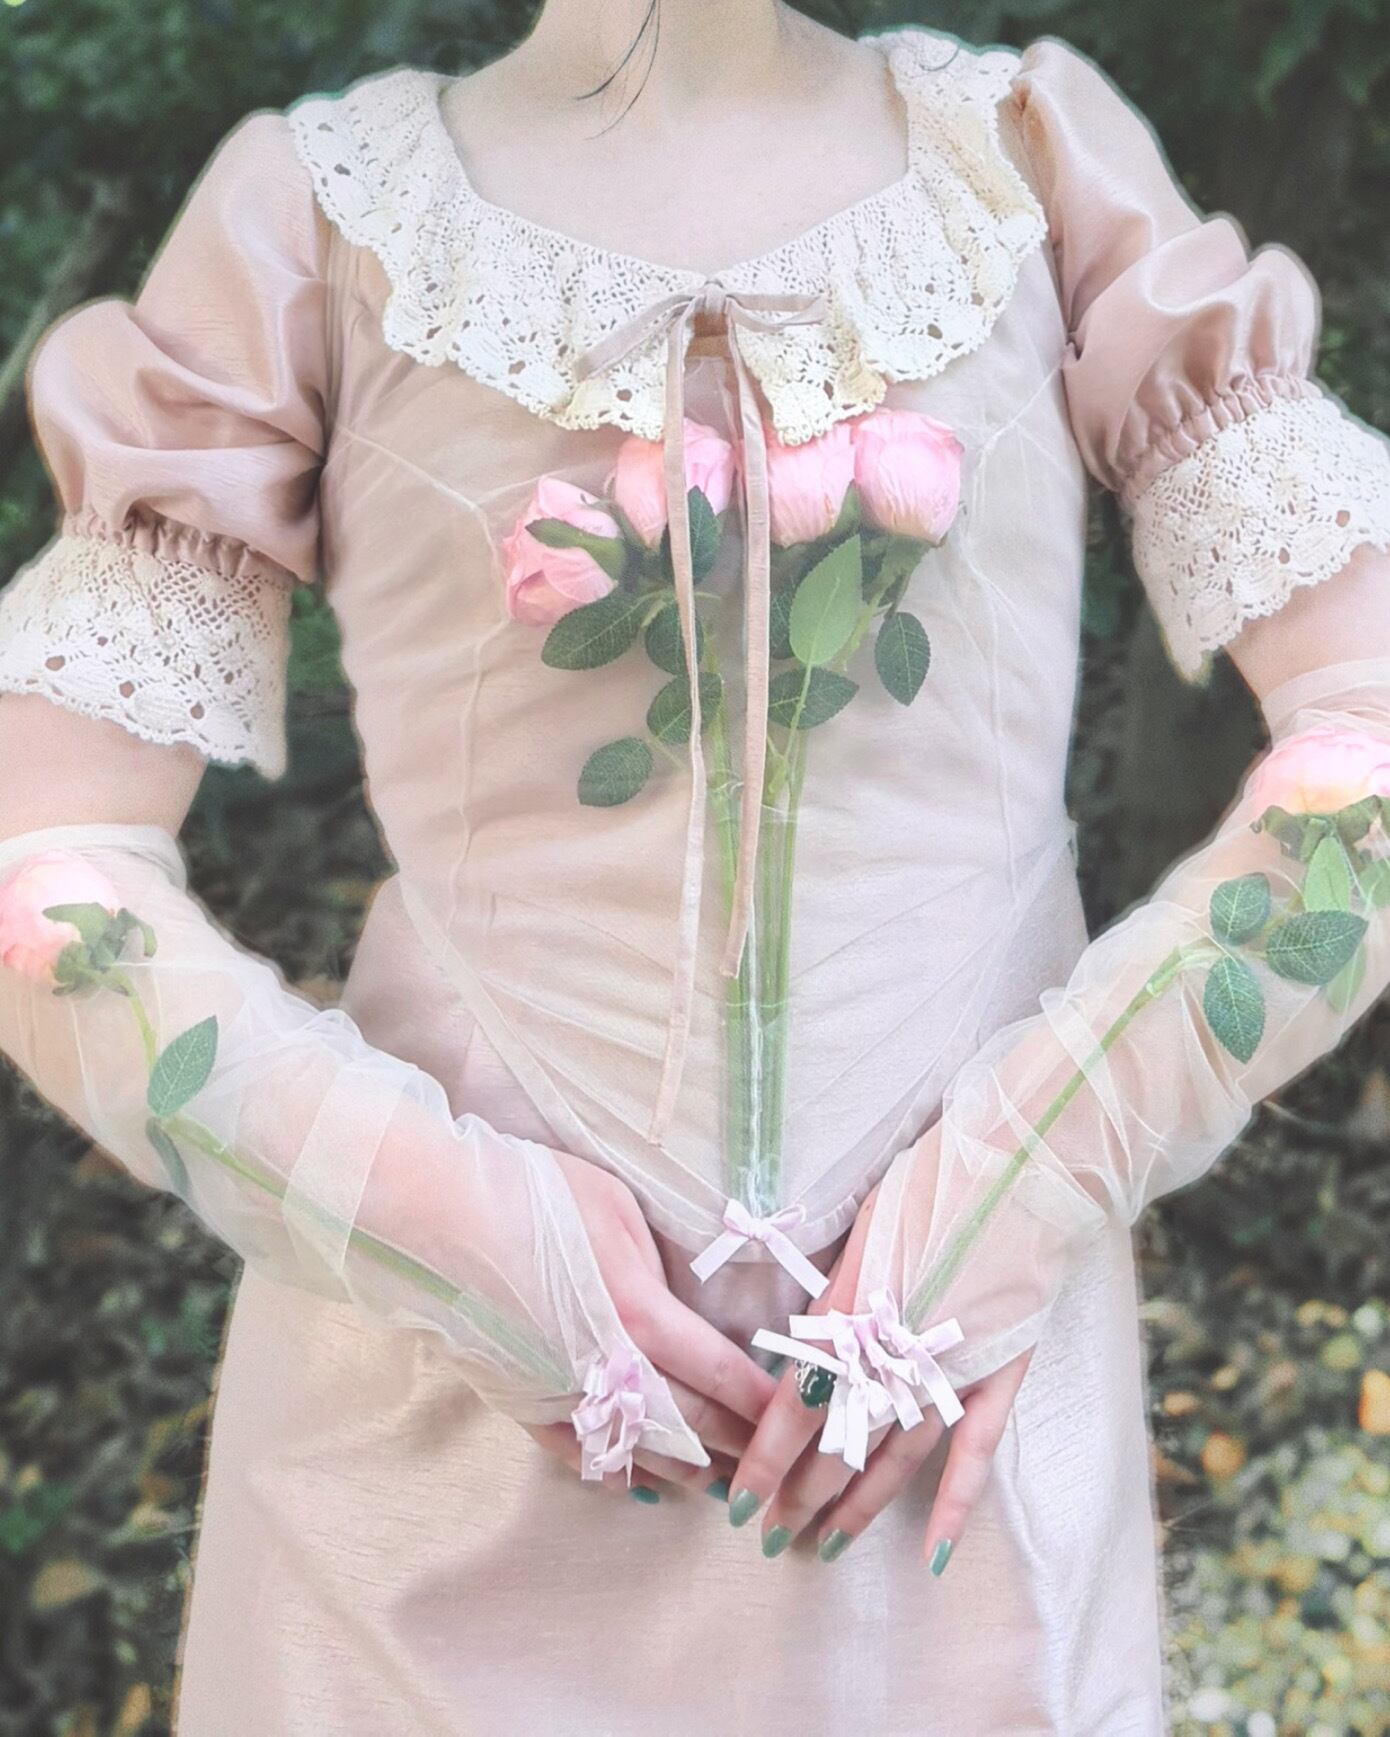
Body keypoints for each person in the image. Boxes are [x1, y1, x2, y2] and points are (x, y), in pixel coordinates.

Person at [0, 2, 1387, 1730]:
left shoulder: (1033, 171)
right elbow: (43, 871)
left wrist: (1028, 1173)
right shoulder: (317, 223)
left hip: (942, 1480)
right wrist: (449, 1229)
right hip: (434, 1498)